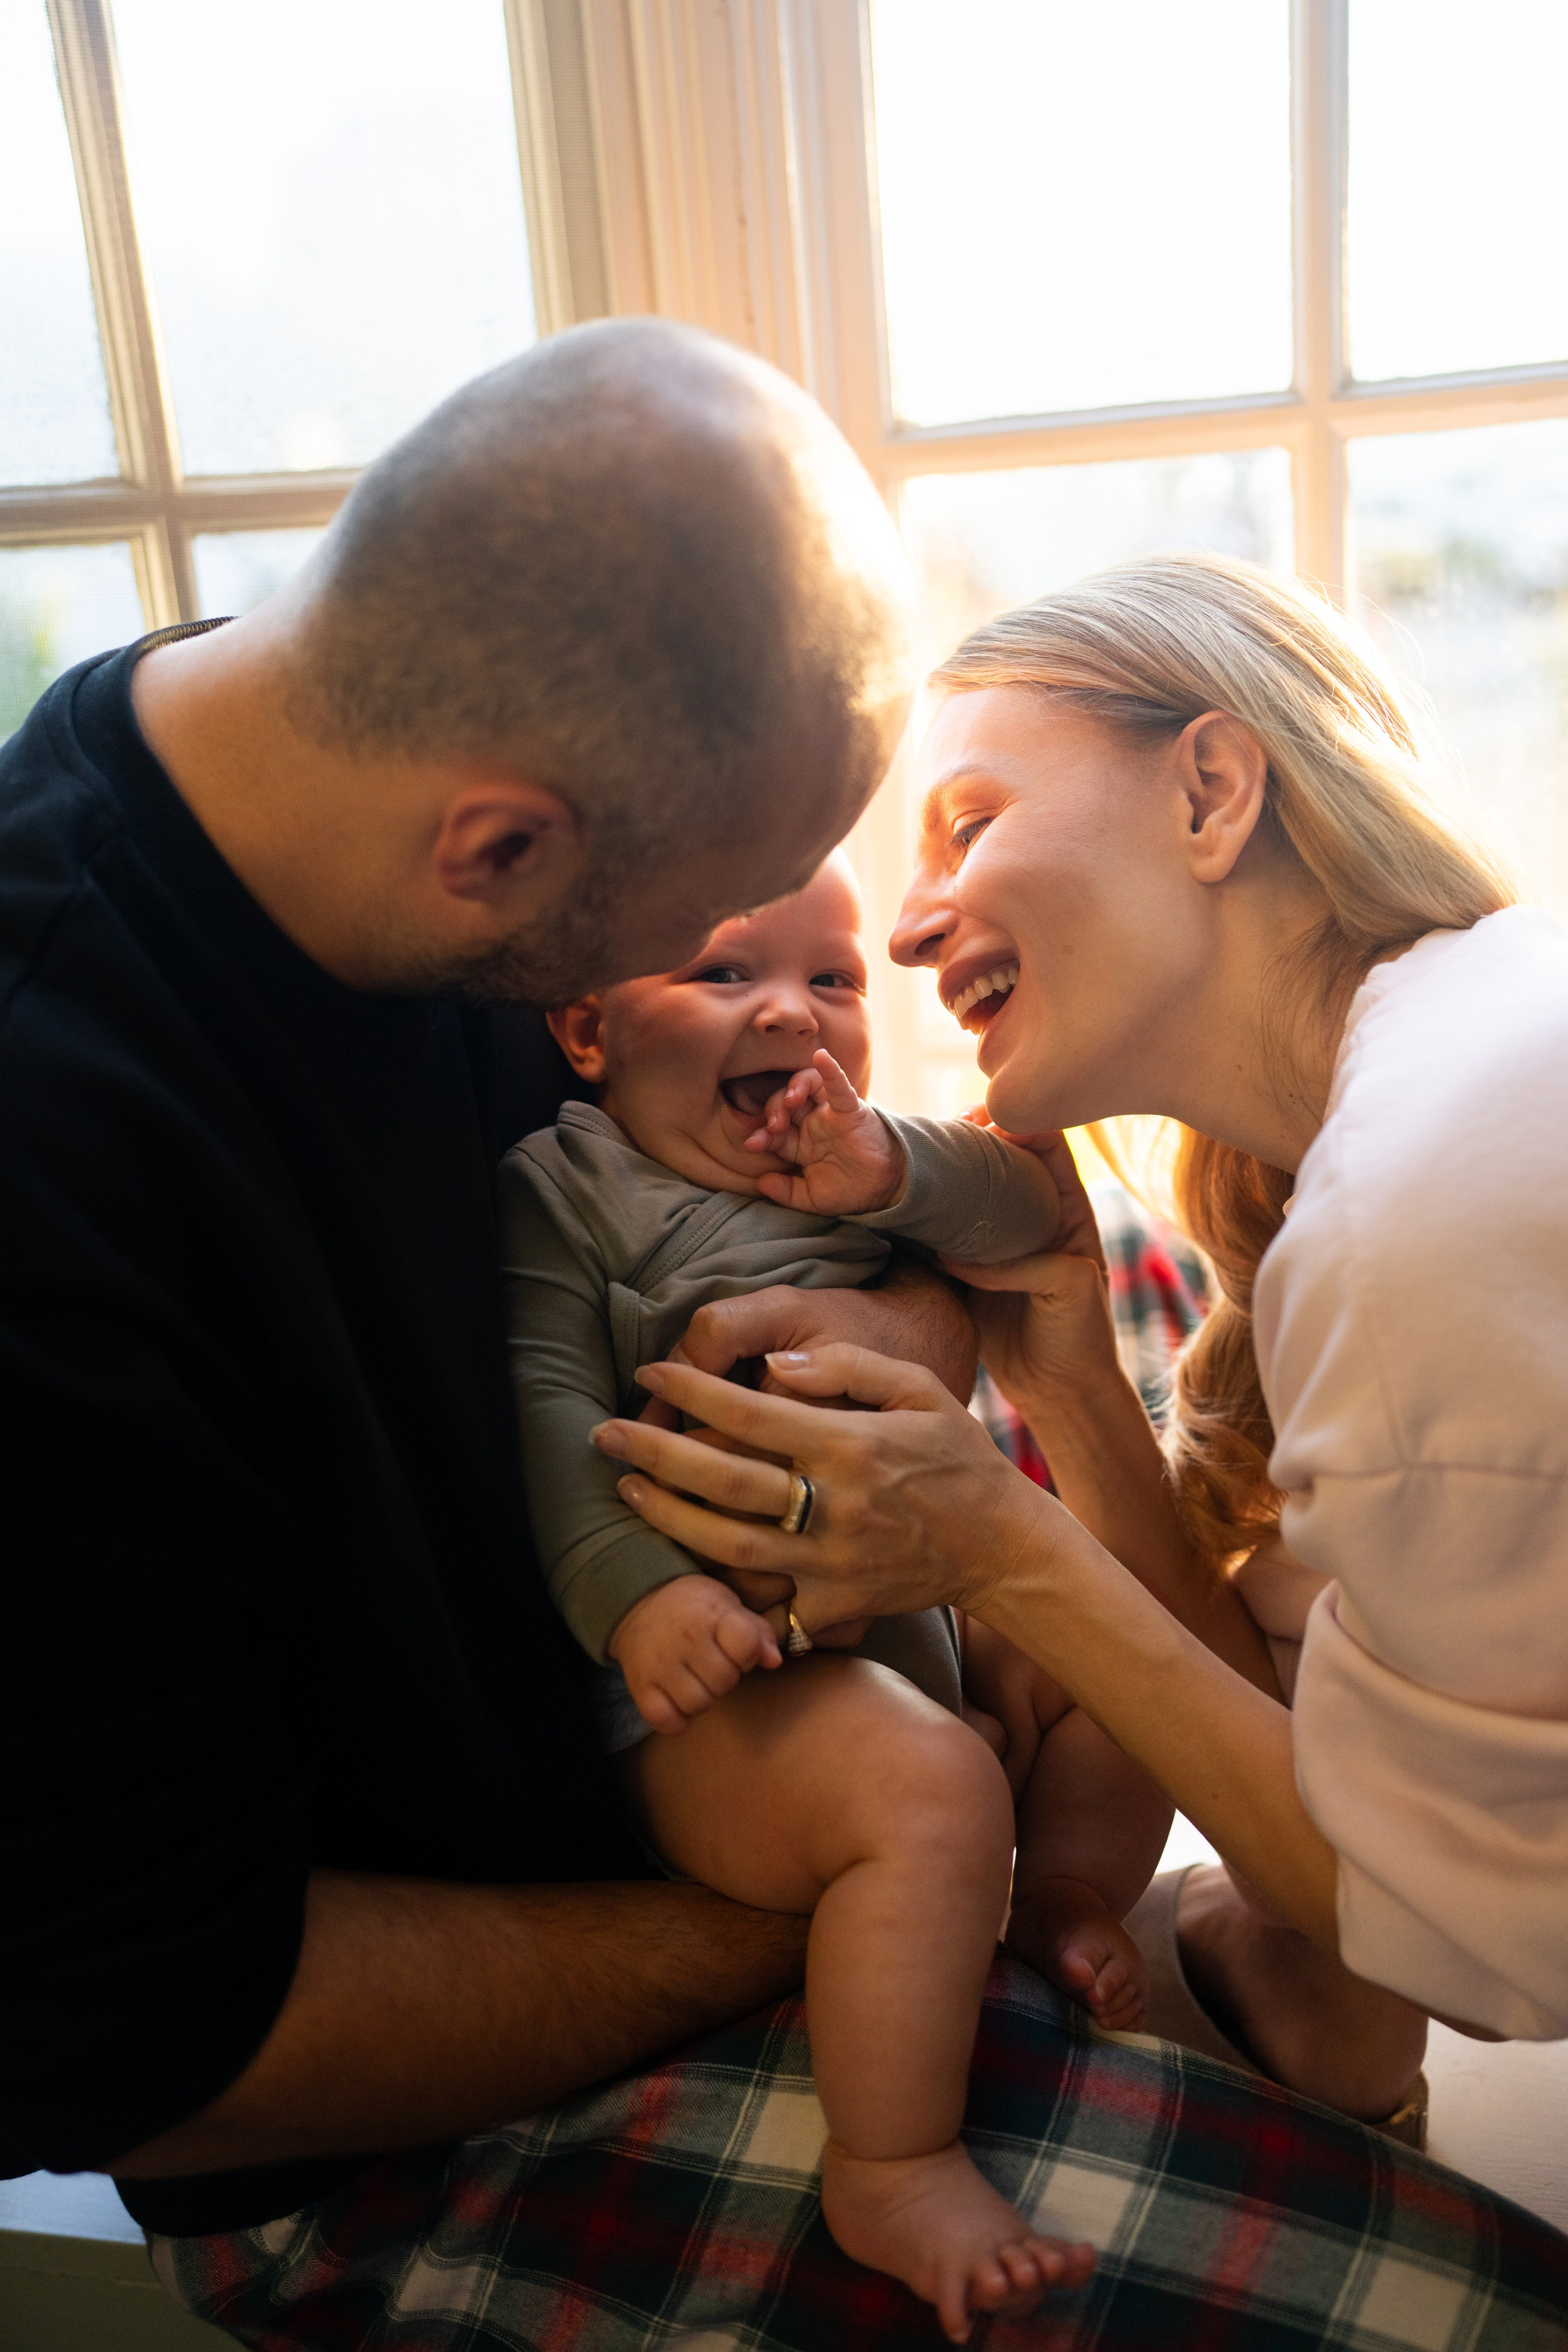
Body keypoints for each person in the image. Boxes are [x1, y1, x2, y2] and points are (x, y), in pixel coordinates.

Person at [4, 349, 1563, 2347]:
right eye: (709, 936)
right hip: (469, 2062)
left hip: (859, 1798)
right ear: (506, 861)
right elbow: (135, 2038)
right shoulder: (59, 1158)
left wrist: (903, 1328)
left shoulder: (404, 778)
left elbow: (848, 1237)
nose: (878, 964)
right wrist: (873, 1881)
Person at [592, 552, 1568, 2146]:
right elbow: (1318, 1769)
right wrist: (1063, 1375)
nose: (907, 931)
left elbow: (1471, 1943)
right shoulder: (1467, 1049)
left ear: (1211, 794)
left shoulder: (1406, 1225)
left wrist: (1000, 1545)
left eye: (968, 824)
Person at [502, 850, 1169, 2338]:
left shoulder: (856, 1167)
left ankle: (1055, 1895)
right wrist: (639, 1602)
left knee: (1118, 1648)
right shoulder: (567, 1186)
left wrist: (889, 1170)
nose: (792, 1013)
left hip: (920, 1619)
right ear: (588, 1028)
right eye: (724, 972)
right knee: (925, 1789)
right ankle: (892, 2166)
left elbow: (1023, 1212)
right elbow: (543, 1404)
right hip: (720, 1692)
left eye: (832, 979)